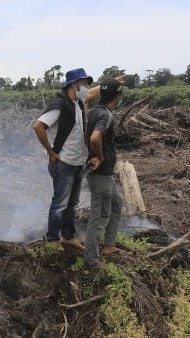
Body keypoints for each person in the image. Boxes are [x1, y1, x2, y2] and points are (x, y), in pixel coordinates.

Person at [32, 68, 95, 250]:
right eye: (84, 84)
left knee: (71, 203)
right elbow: (38, 126)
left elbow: (91, 93)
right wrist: (51, 152)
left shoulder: (78, 103)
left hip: (77, 163)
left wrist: (112, 82)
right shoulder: (60, 105)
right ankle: (52, 240)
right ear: (74, 84)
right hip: (64, 163)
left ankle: (68, 236)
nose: (86, 87)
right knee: (60, 203)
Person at [83, 78, 125, 268]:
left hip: (105, 174)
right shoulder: (105, 115)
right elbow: (94, 139)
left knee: (117, 203)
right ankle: (91, 261)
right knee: (100, 215)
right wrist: (99, 157)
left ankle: (108, 245)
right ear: (118, 97)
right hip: (101, 174)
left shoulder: (94, 111)